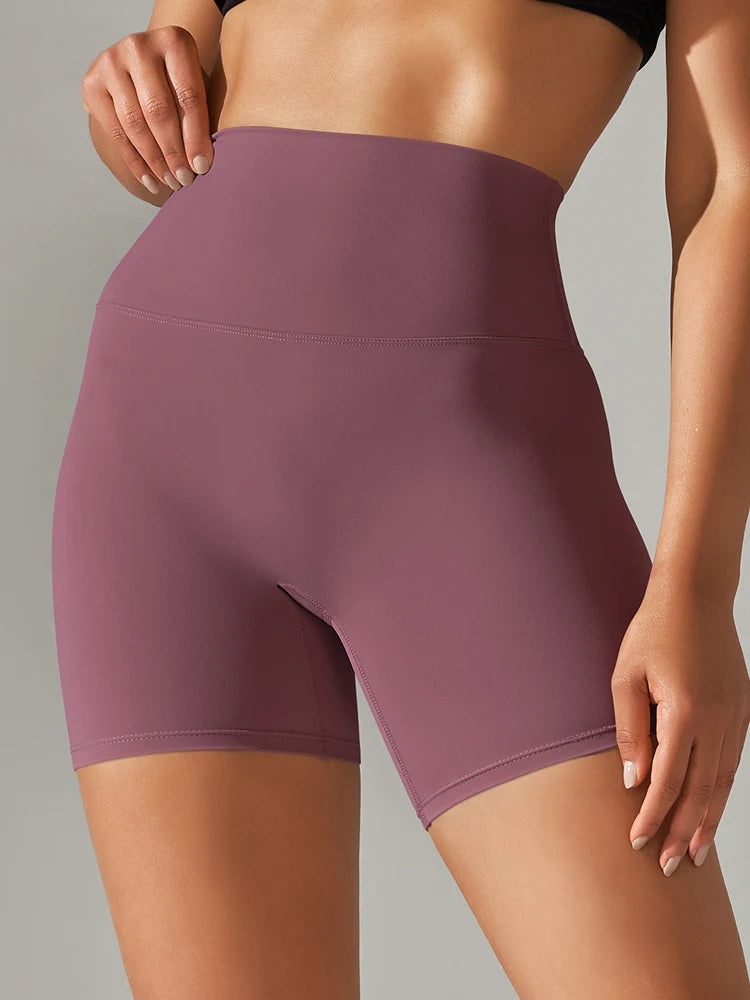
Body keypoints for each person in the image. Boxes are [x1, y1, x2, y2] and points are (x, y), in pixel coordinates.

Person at [51, 0, 750, 996]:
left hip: (462, 456)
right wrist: (121, 94)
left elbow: (730, 183)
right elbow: (172, 98)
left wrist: (700, 583)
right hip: (161, 444)